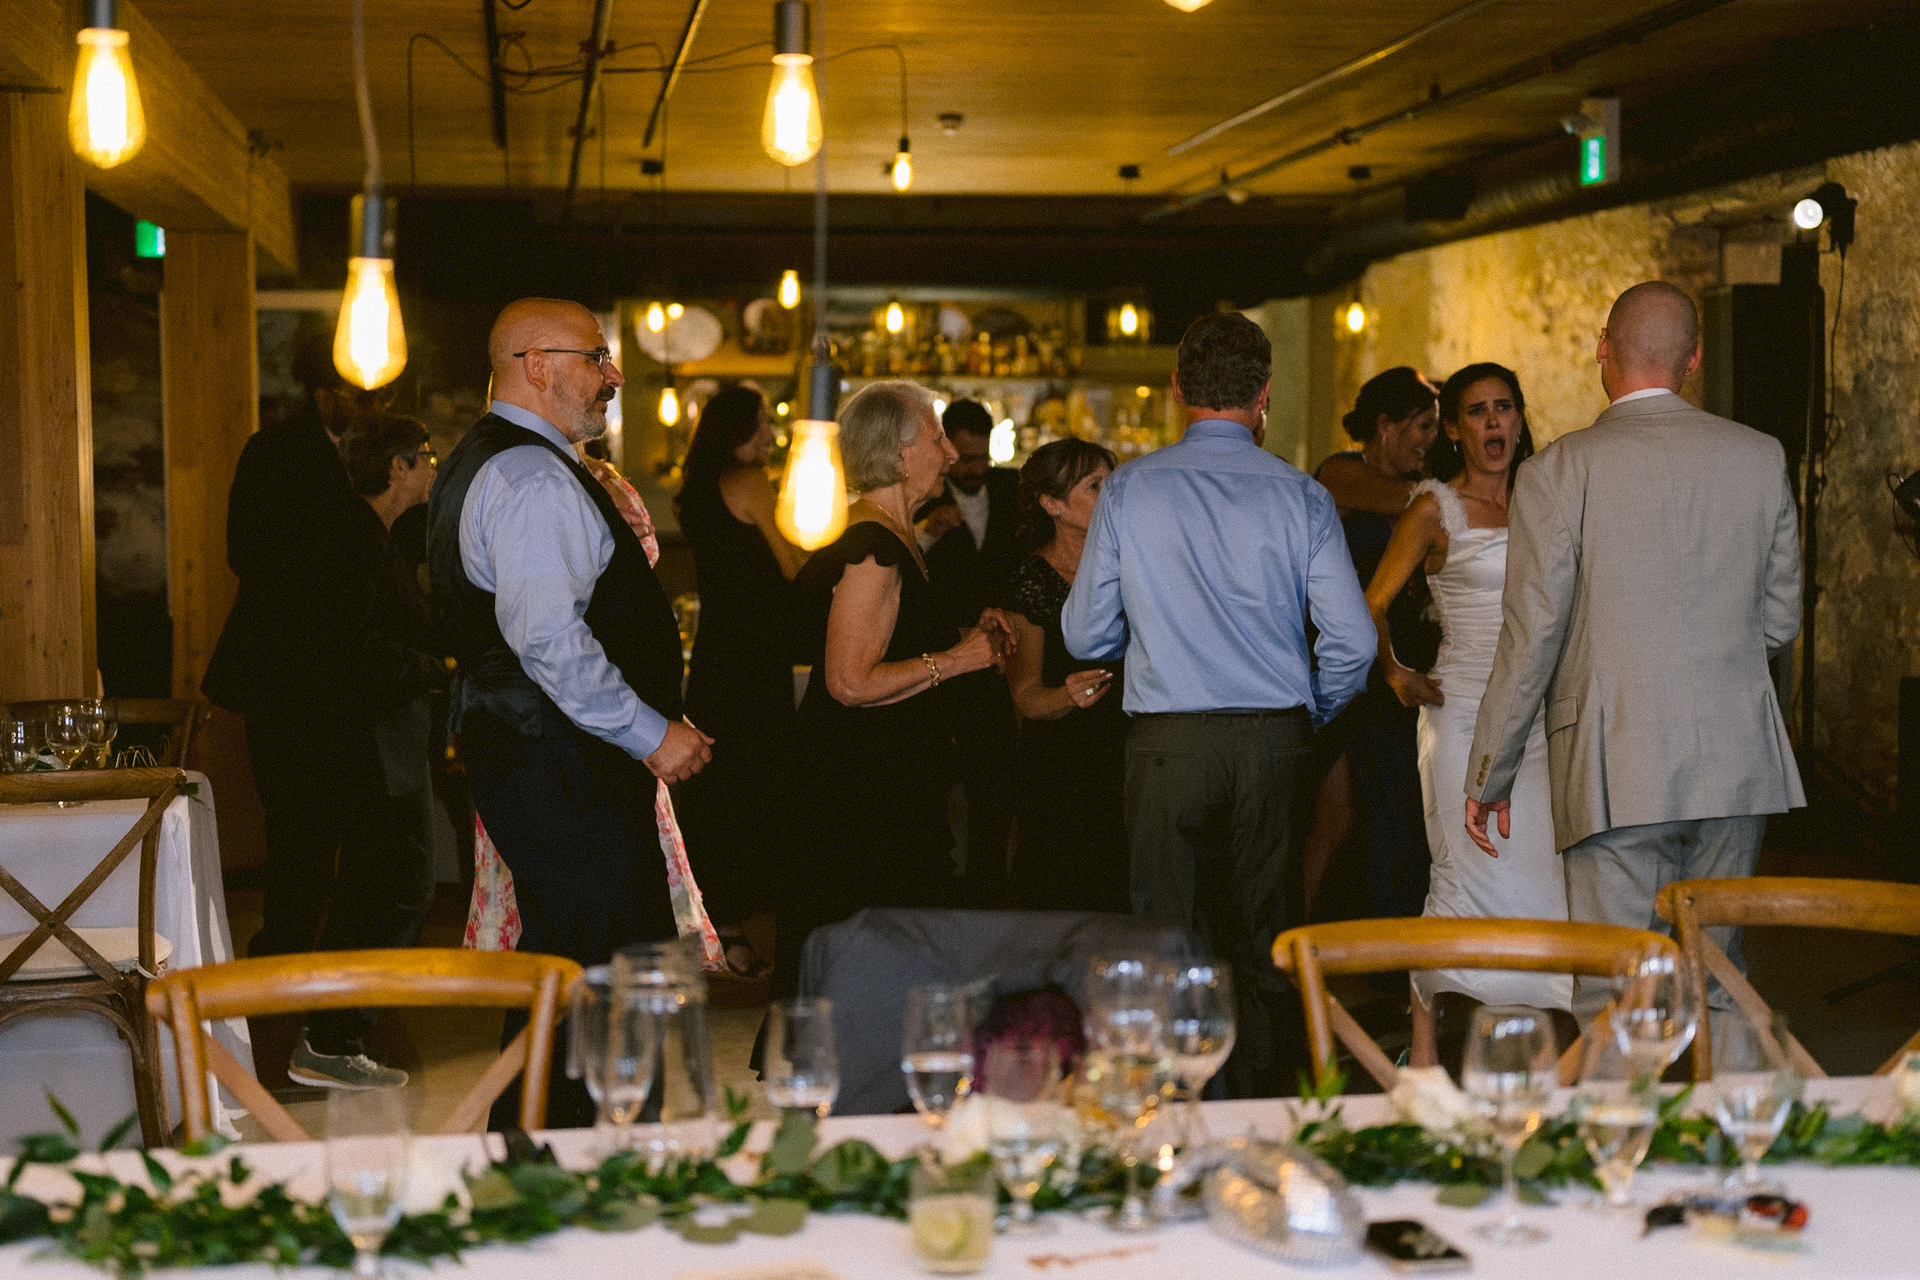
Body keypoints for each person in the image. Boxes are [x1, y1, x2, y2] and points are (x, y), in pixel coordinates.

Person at [1465, 282, 1805, 1021]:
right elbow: (1780, 621)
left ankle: (1623, 1134)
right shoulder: (1758, 456)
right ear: (1695, 358)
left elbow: (1533, 637)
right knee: (1719, 979)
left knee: (1617, 988)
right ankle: (1732, 1131)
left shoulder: (1557, 470)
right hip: (1735, 765)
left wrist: (1489, 769)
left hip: (1614, 761)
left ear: (1601, 350)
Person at [1062, 312, 1375, 1097]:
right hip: (1271, 741)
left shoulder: (1131, 488)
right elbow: (1356, 643)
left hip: (1166, 744)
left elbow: (1085, 634)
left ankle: (1170, 1108)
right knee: (1266, 936)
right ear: (1265, 393)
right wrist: (1313, 711)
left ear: (1176, 391)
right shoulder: (1301, 495)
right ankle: (1264, 1110)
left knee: (1165, 936)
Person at [427, 297, 711, 1127]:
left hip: (542, 756)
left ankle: (531, 1156)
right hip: (559, 760)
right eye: (597, 358)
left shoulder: (506, 462)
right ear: (537, 366)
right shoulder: (529, 476)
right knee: (616, 972)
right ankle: (603, 1165)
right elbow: (549, 639)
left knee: (566, 968)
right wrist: (652, 733)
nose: (613, 376)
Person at [201, 351, 432, 1088]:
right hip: (288, 681)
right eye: (350, 392)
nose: (362, 402)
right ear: (320, 390)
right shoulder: (274, 452)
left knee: (373, 856)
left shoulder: (383, 476)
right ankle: (280, 1026)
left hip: (354, 686)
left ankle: (327, 1023)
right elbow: (246, 552)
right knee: (300, 847)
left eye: (377, 393)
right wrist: (333, 556)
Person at [778, 381, 1014, 996]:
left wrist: (964, 633)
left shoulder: (891, 533)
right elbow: (850, 681)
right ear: (900, 453)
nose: (947, 451)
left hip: (885, 782)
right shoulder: (874, 547)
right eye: (935, 437)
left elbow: (893, 640)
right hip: (865, 795)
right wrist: (959, 659)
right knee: (877, 967)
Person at [1365, 363, 1568, 1063]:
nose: (1493, 423)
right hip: (1460, 713)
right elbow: (1370, 606)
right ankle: (1422, 1049)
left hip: (1538, 715)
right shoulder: (1434, 510)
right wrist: (1394, 673)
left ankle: (1538, 1045)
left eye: (1504, 408)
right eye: (1477, 411)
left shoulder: (1546, 501)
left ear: (1518, 419)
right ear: (1454, 429)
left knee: (1541, 872)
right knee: (1461, 869)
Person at [1300, 368, 1440, 922]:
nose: (1431, 440)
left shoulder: (1424, 487)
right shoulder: (1341, 472)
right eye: (1422, 426)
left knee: (1387, 809)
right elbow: (1411, 502)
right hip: (1347, 662)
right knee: (1339, 815)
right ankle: (1306, 941)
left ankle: (1385, 937)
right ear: (1384, 425)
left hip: (1403, 658)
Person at [675, 385, 804, 979]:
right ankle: (733, 936)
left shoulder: (698, 488)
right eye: (763, 424)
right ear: (738, 431)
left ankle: (716, 928)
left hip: (717, 655)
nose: (772, 434)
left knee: (717, 794)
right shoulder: (749, 481)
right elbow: (793, 564)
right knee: (755, 792)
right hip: (755, 658)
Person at [1002, 438, 1127, 913]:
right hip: (1062, 767)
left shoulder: (1131, 567)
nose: (1110, 492)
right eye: (1095, 485)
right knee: (1061, 899)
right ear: (1052, 504)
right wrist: (1067, 696)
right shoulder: (1032, 581)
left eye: (1112, 480)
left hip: (1129, 753)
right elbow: (1025, 695)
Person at [916, 400, 1023, 906]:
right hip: (939, 655)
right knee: (934, 776)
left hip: (1005, 653)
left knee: (995, 777)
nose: (977, 469)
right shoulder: (922, 503)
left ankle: (987, 883)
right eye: (966, 459)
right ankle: (938, 885)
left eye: (984, 457)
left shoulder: (1014, 491)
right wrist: (929, 532)